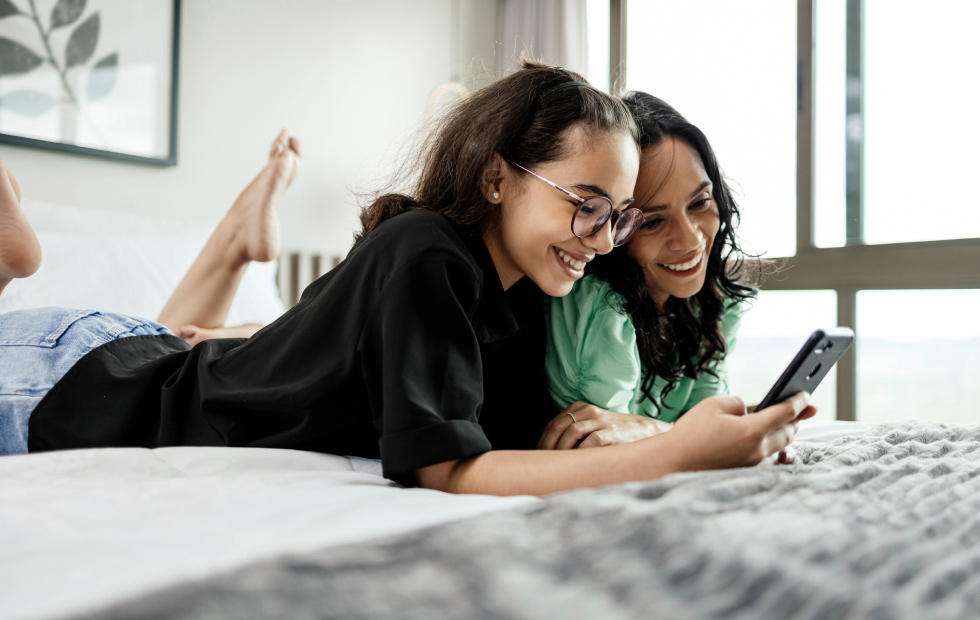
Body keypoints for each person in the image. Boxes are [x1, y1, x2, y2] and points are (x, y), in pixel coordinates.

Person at [0, 62, 813, 496]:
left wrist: (670, 432)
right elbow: (450, 469)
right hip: (73, 380)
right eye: (587, 207)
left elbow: (525, 440)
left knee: (196, 341)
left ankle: (232, 244)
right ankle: (16, 259)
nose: (603, 242)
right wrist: (678, 456)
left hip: (139, 353)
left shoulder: (528, 290)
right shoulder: (428, 253)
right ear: (499, 179)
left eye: (619, 217)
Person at [540, 92, 772, 452]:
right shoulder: (601, 309)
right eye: (652, 222)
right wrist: (675, 433)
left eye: (700, 202)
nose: (690, 239)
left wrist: (739, 435)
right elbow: (605, 451)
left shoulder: (710, 304)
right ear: (613, 230)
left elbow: (705, 417)